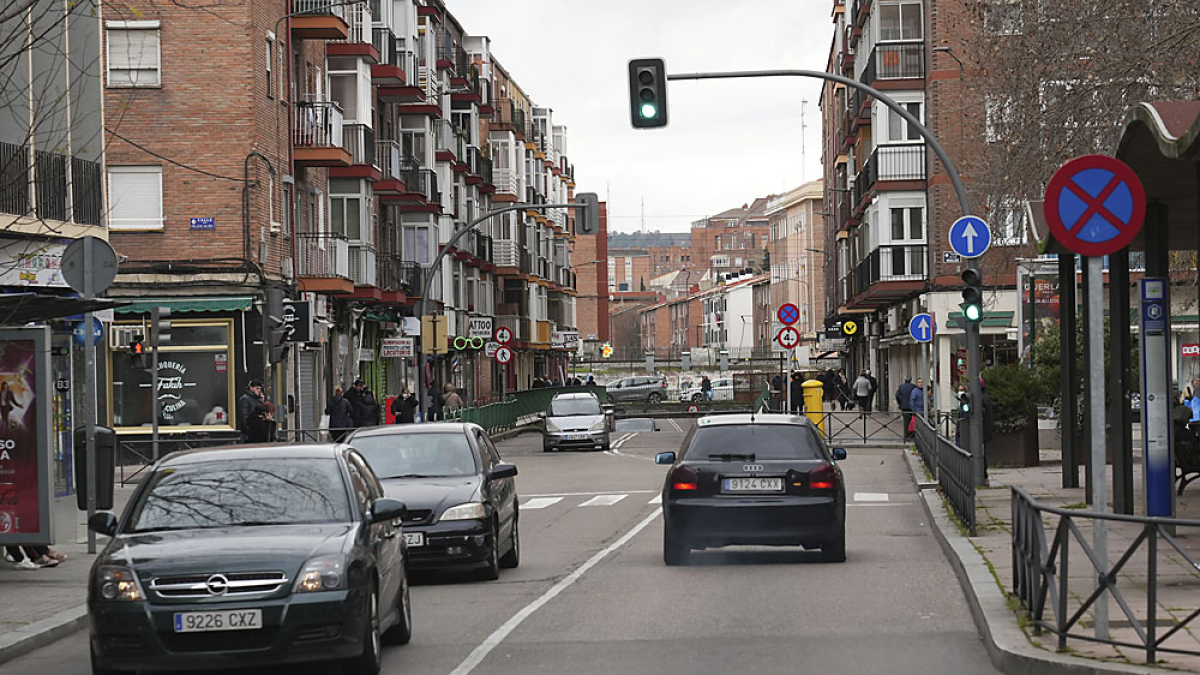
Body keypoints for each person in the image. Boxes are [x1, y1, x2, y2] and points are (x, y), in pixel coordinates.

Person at [896, 376, 917, 441]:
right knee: (912, 421)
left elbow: (897, 395)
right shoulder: (913, 386)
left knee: (906, 421)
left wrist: (900, 403)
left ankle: (906, 435)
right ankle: (911, 435)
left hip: (904, 406)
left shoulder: (901, 386)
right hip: (912, 406)